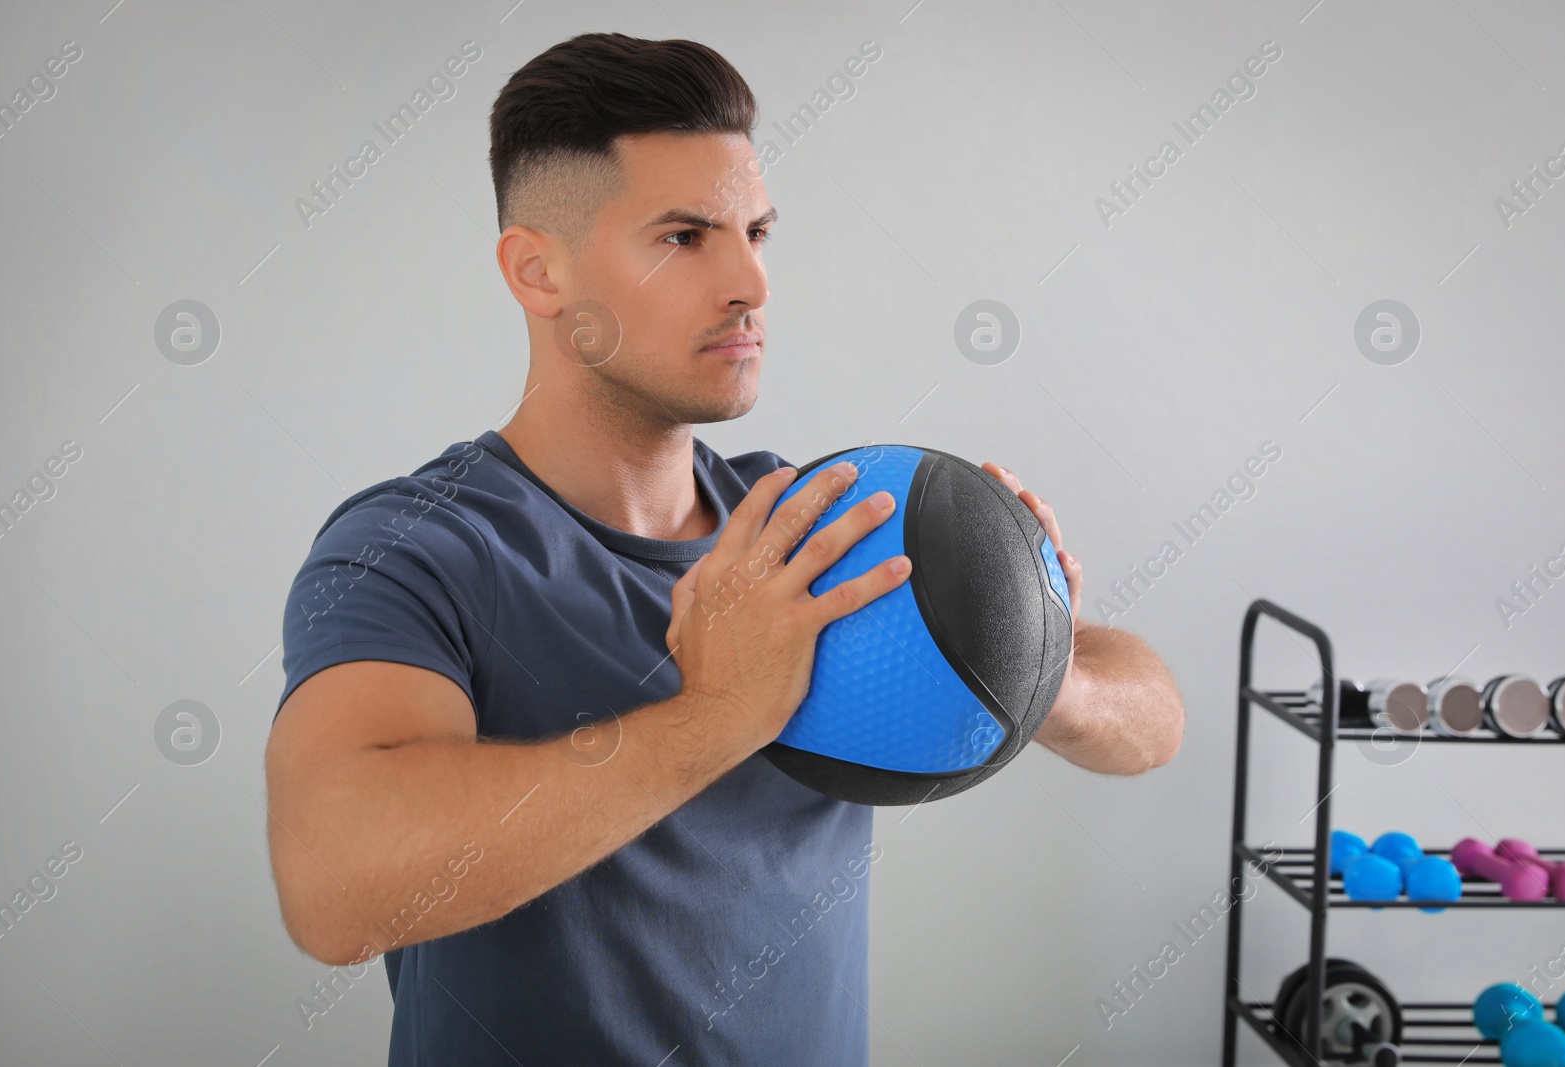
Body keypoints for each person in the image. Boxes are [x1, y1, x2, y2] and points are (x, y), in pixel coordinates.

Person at [263, 31, 1184, 1065]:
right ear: (538, 269)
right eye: (683, 236)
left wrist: (1024, 650)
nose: (751, 281)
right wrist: (715, 717)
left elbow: (1151, 715)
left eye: (756, 231)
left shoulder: (802, 519)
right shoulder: (421, 546)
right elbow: (330, 885)